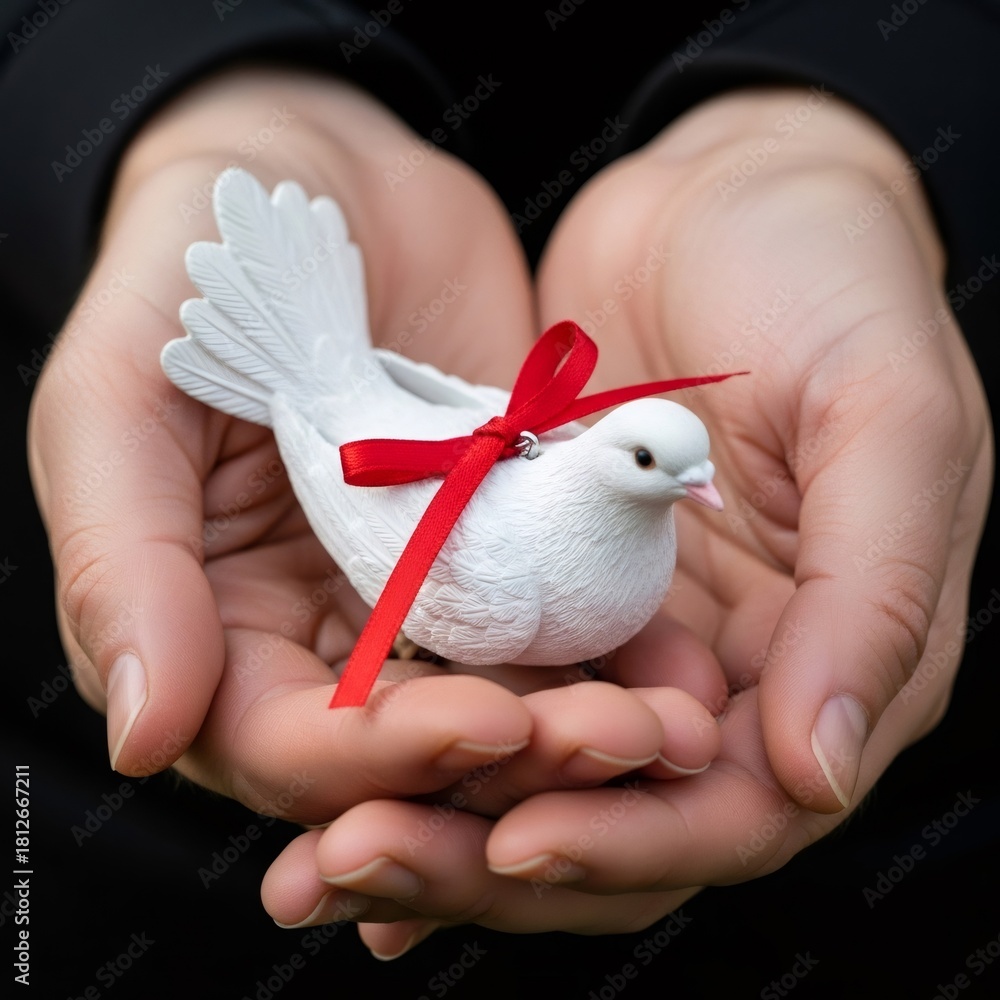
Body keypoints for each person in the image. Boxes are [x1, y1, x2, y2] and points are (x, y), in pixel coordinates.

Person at [6, 1, 998, 996]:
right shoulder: (521, 576)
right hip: (139, 867)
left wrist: (848, 160)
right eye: (665, 467)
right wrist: (180, 115)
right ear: (625, 456)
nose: (699, 488)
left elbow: (496, 424)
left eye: (689, 471)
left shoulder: (596, 486)